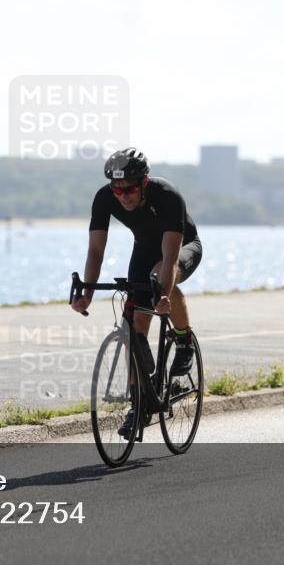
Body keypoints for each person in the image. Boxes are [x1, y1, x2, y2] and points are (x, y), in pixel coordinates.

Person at [70, 147, 203, 438]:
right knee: (134, 325)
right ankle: (139, 403)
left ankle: (183, 340)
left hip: (181, 247)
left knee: (160, 277)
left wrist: (164, 296)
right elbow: (95, 250)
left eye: (129, 189)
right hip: (144, 249)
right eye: (117, 190)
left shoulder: (167, 196)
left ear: (143, 182)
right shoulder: (105, 197)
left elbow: (169, 259)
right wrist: (88, 293)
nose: (122, 196)